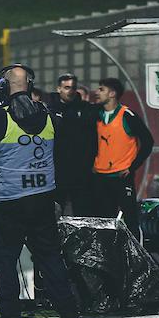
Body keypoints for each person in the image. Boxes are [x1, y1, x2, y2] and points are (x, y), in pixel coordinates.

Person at [0, 65, 81, 318]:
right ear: (30, 84)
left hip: (10, 199)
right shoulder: (49, 117)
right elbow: (65, 156)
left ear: (3, 87)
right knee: (50, 257)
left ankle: (11, 315)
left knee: (6, 258)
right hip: (43, 198)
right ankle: (69, 313)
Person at [90, 77, 153, 239]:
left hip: (121, 177)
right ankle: (110, 260)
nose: (97, 92)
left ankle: (137, 260)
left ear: (112, 94)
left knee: (131, 221)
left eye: (101, 89)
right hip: (100, 178)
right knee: (104, 223)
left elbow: (148, 142)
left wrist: (132, 167)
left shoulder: (127, 115)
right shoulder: (94, 115)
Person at [50, 73, 98, 216]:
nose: (70, 91)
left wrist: (90, 161)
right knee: (56, 211)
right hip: (57, 171)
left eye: (73, 87)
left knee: (82, 212)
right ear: (58, 89)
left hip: (81, 172)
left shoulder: (85, 110)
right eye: (66, 87)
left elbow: (93, 138)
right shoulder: (50, 111)